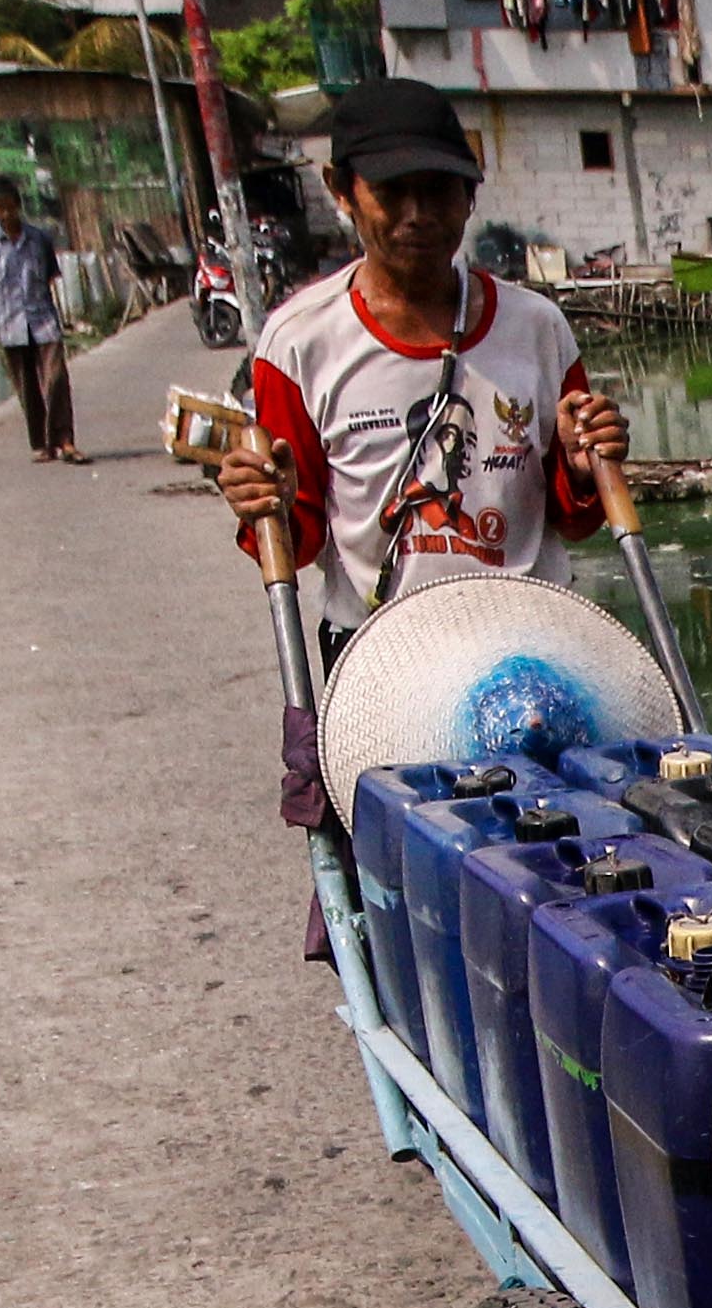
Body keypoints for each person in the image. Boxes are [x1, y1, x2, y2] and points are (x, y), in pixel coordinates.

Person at [210, 77, 634, 831]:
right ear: (343, 190)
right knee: (408, 887)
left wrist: (580, 466)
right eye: (393, 192)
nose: (418, 215)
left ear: (469, 196)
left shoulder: (536, 328)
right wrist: (260, 499)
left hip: (528, 658)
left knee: (562, 867)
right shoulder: (299, 341)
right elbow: (299, 535)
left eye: (439, 191)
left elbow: (572, 519)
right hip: (386, 661)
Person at [0, 179, 79, 463]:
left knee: (56, 378)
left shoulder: (39, 238)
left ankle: (65, 439)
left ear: (18, 206)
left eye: (10, 207)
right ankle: (43, 444)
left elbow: (49, 275)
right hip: (10, 322)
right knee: (27, 386)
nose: (6, 214)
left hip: (43, 318)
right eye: (0, 208)